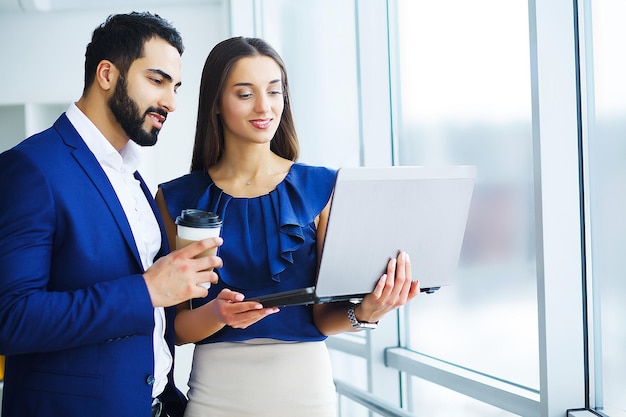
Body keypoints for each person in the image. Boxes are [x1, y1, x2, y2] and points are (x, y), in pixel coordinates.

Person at [155, 36, 421, 417]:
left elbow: (323, 317)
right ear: (215, 102)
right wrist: (218, 314)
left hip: (305, 393)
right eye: (245, 94)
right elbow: (175, 329)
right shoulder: (176, 198)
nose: (265, 106)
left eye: (274, 92)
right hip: (217, 394)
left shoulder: (322, 188)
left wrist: (368, 310)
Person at [0, 12, 223, 417]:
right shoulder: (31, 168)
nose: (171, 102)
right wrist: (147, 290)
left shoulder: (132, 175)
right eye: (156, 81)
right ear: (106, 74)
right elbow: (10, 319)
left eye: (175, 87)